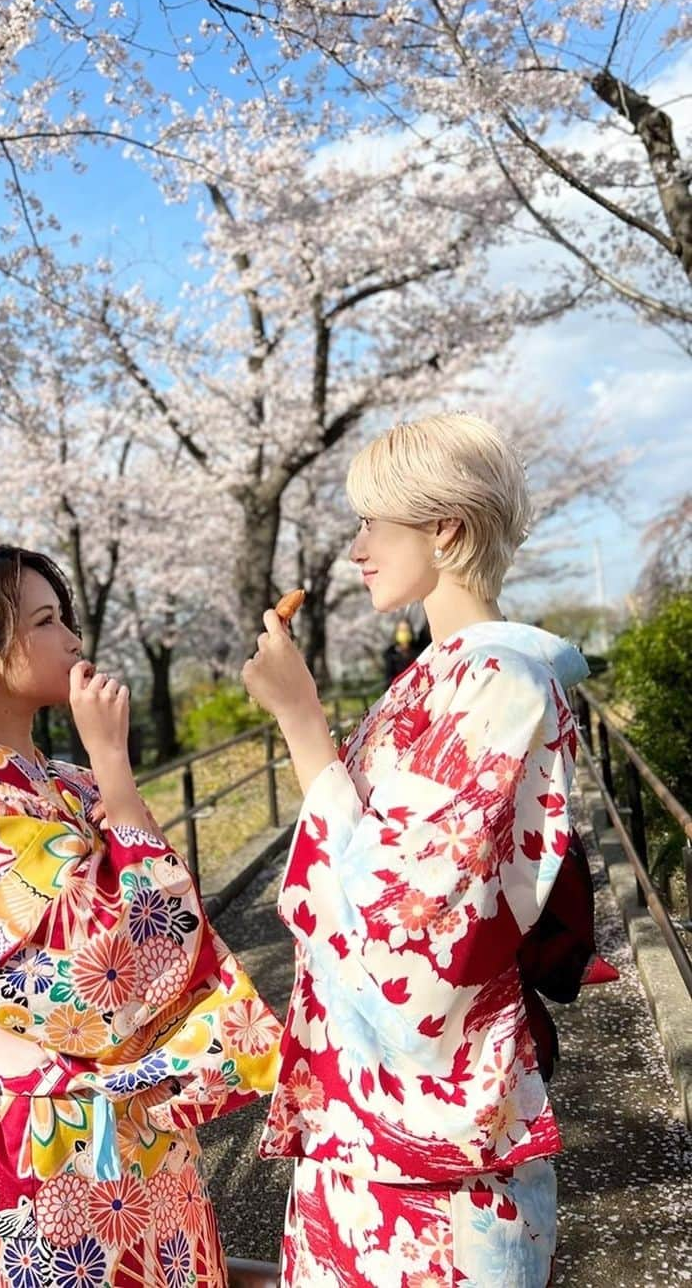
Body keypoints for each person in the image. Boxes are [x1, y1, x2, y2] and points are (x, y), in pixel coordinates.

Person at [241, 413, 598, 1287]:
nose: (356, 548)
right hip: (372, 1123)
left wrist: (302, 724)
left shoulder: (499, 683)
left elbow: (407, 928)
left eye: (373, 522)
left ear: (444, 528)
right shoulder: (441, 678)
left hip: (435, 1151)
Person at [0, 546, 281, 1288]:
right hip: (55, 1142)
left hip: (141, 1128)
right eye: (47, 622)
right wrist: (115, 764)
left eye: (66, 619)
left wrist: (107, 775)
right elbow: (108, 972)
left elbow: (161, 912)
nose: (73, 640)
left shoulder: (67, 782)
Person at [381, 619, 421, 689]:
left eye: (406, 630)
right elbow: (388, 679)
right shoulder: (391, 654)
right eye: (401, 630)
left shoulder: (418, 650)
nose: (404, 633)